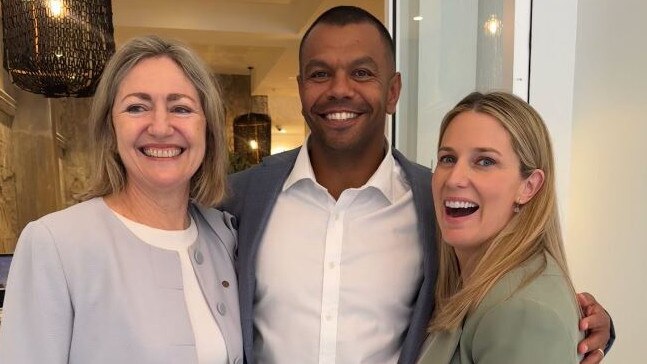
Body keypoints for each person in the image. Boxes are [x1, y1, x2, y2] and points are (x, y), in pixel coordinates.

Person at [222, 6, 613, 364]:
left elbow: (515, 305)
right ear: (302, 88)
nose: (339, 89)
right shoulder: (240, 198)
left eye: (362, 72)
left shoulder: (439, 206)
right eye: (320, 73)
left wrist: (586, 327)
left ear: (393, 91)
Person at [0, 35, 243, 364]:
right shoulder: (56, 244)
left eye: (181, 108)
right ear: (110, 130)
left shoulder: (223, 236)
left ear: (207, 130)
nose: (160, 127)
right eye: (137, 107)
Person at [417, 91, 587, 363]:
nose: (455, 178)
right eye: (448, 158)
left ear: (528, 186)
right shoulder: (474, 283)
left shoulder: (523, 309)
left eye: (485, 161)